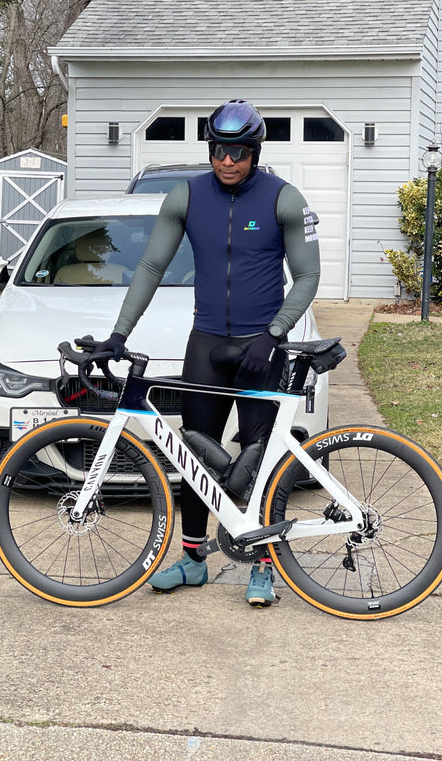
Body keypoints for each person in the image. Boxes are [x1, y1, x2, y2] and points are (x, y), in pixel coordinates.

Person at [97, 99, 321, 607]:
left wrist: (274, 333)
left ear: (255, 151)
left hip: (262, 347)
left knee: (260, 458)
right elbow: (150, 267)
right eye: (220, 150)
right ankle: (193, 559)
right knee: (194, 454)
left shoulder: (284, 199)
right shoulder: (187, 196)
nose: (228, 161)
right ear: (210, 149)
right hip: (206, 344)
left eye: (239, 152)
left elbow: (308, 275)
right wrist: (119, 333)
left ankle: (263, 565)